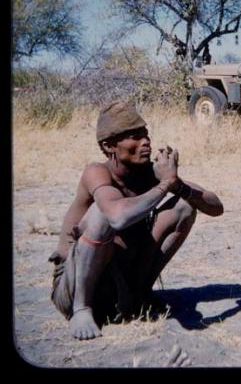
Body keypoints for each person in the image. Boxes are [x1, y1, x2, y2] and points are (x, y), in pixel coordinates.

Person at [49, 101, 224, 340]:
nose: (146, 142)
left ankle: (139, 295)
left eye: (146, 134)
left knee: (184, 207)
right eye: (135, 136)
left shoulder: (149, 174)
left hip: (123, 280)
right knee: (102, 214)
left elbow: (216, 208)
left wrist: (177, 185)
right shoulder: (96, 172)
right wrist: (164, 185)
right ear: (109, 146)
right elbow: (117, 217)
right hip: (74, 287)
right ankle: (83, 309)